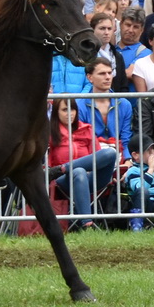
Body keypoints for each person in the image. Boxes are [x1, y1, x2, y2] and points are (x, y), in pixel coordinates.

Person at [46, 98, 114, 232]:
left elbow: (98, 157)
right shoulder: (49, 133)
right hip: (63, 181)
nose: (69, 113)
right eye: (65, 110)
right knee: (79, 171)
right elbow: (46, 165)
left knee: (110, 153)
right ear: (56, 112)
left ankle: (63, 168)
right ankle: (87, 225)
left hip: (91, 178)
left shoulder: (87, 129)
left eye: (72, 109)